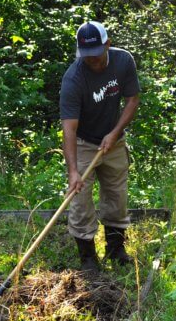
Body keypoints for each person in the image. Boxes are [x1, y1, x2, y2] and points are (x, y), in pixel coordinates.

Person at [60, 21, 141, 274]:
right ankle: (88, 260)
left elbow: (132, 100)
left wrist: (115, 133)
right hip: (83, 143)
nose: (91, 61)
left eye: (95, 55)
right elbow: (69, 129)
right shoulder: (74, 78)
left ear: (107, 44)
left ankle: (116, 251)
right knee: (80, 200)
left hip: (114, 142)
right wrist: (73, 171)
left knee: (117, 196)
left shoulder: (123, 62)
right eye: (86, 56)